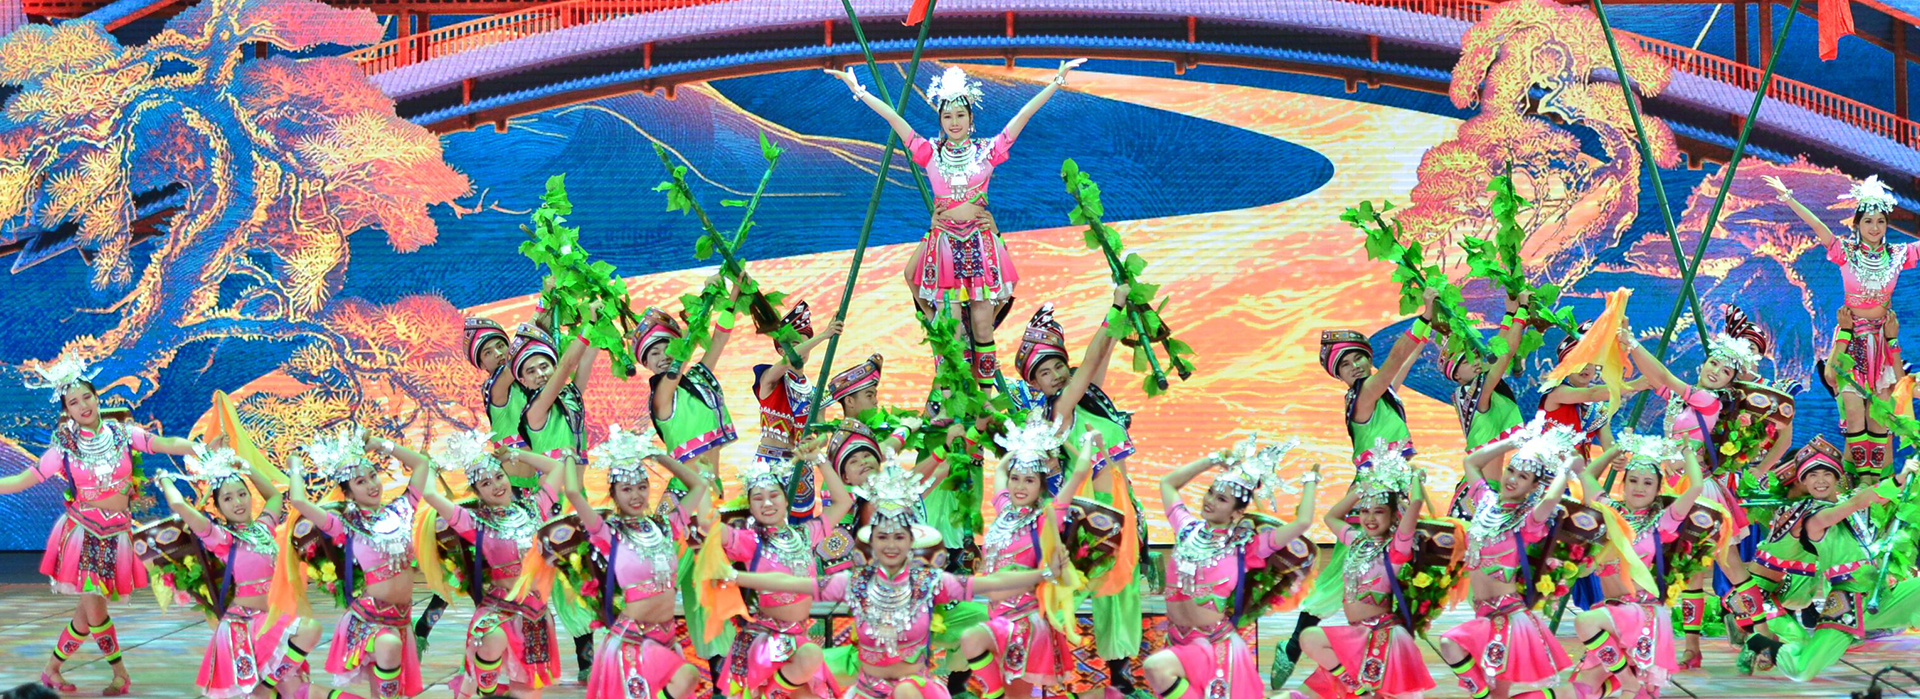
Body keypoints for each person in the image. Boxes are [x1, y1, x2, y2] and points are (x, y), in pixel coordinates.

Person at [825, 59, 1085, 390]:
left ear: (971, 119)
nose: (954, 122)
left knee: (982, 325)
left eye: (960, 115)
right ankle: (954, 398)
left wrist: (1055, 82)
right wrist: (859, 91)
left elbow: (1023, 115)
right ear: (940, 120)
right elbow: (894, 119)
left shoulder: (987, 151)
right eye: (947, 116)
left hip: (979, 245)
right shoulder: (930, 152)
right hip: (945, 246)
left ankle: (986, 401)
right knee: (954, 332)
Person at [727, 458, 1052, 699]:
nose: (891, 545)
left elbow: (985, 585)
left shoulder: (928, 582)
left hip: (915, 689)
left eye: (899, 537)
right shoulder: (856, 583)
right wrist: (735, 576)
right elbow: (793, 584)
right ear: (871, 542)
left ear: (912, 541)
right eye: (883, 537)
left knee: (907, 691)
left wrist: (1043, 574)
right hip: (866, 689)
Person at [0, 357, 206, 695]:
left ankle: (51, 670)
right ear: (66, 410)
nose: (83, 406)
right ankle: (121, 674)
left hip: (117, 534)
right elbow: (27, 477)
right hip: (83, 534)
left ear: (98, 398)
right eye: (73, 402)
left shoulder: (123, 434)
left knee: (85, 615)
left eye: (87, 397)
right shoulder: (65, 446)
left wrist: (198, 448)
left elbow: (164, 444)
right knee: (95, 609)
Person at [1280, 290, 1436, 686]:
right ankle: (1296, 645)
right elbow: (1395, 361)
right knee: (1346, 571)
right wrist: (1424, 315)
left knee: (1400, 569)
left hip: (1396, 490)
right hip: (1373, 493)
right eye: (1345, 365)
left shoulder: (1382, 393)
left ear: (1368, 357)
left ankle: (1385, 656)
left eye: (1357, 358)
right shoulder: (1364, 394)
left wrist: (1431, 327)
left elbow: (1401, 367)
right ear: (1340, 377)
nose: (1354, 367)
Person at [1010, 288, 1149, 697]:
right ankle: (1042, 663)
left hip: (1120, 503)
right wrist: (1114, 306)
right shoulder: (1058, 410)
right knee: (1085, 584)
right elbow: (1089, 362)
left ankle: (1119, 672)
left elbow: (1098, 358)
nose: (1056, 375)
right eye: (1045, 373)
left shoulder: (1087, 399)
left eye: (1059, 366)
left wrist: (1122, 319)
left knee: (1121, 587)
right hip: (1091, 509)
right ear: (1034, 383)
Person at [1616, 324, 1760, 660]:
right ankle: (1692, 648)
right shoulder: (1681, 399)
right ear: (1702, 364)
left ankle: (1763, 634)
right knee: (1689, 569)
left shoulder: (1709, 401)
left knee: (1731, 565)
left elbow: (1664, 376)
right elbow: (1657, 379)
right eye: (1713, 363)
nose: (1716, 372)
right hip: (1674, 487)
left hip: (1699, 490)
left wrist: (1633, 341)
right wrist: (1628, 347)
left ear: (1729, 382)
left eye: (1725, 371)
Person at [1144, 437, 1320, 699]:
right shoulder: (1186, 529)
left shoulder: (1246, 546)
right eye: (1211, 493)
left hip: (1212, 647)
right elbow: (1168, 484)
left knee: (1155, 668)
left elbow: (1302, 522)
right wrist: (1214, 459)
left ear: (1237, 513)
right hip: (1177, 641)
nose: (1210, 501)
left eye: (1222, 499)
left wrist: (1310, 481)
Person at [1764, 173, 1912, 479]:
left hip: (1882, 341)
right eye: (1868, 221)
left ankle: (1872, 484)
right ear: (1857, 224)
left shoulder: (1899, 254)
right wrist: (1788, 197)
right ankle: (1857, 483)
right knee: (1854, 418)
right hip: (1851, 339)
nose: (1874, 227)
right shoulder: (1846, 252)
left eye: (1881, 222)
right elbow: (1818, 226)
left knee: (1879, 419)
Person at [159, 444, 326, 699]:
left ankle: (265, 689)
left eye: (241, 494)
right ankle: (264, 689)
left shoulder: (263, 527)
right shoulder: (221, 537)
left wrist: (246, 467)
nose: (237, 502)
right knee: (310, 629)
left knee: (295, 689)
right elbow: (179, 504)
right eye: (227, 498)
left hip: (271, 619)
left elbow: (274, 497)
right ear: (218, 507)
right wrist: (164, 479)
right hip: (246, 625)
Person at [409, 432, 564, 699]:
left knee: (526, 693)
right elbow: (432, 495)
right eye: (485, 483)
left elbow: (558, 468)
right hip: (499, 609)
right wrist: (430, 468)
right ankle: (485, 691)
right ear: (478, 492)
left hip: (534, 613)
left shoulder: (533, 509)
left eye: (499, 477)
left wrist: (514, 454)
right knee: (493, 640)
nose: (496, 486)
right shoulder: (475, 522)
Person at [1744, 448, 1920, 680]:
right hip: (1847, 602)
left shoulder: (1851, 502)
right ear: (1804, 481)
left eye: (1827, 474)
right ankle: (1756, 642)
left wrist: (1907, 478)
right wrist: (1898, 478)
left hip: (1882, 592)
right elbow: (1855, 503)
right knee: (1802, 671)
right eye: (1812, 475)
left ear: (1837, 478)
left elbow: (1871, 498)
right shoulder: (1812, 518)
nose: (1820, 480)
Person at [564, 425, 711, 699]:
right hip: (633, 640)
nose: (636, 495)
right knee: (688, 676)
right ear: (614, 494)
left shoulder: (665, 526)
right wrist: (572, 458)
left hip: (667, 639)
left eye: (642, 487)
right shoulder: (608, 532)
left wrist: (659, 456)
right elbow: (573, 492)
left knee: (684, 682)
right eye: (626, 489)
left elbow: (699, 486)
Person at [1438, 422, 1579, 699]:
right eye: (1511, 470)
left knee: (1449, 643)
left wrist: (1566, 468)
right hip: (1484, 614)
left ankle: (1566, 695)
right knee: (1496, 694)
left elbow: (1550, 500)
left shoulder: (1527, 520)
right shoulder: (1485, 502)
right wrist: (1510, 443)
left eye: (1523, 476)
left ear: (1534, 486)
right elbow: (1471, 462)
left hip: (1507, 616)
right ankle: (1564, 695)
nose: (1512, 479)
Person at [286, 425, 427, 699]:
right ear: (349, 493)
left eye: (373, 476)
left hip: (401, 619)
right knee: (388, 647)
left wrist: (380, 444)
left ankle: (312, 694)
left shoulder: (401, 510)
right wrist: (294, 467)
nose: (372, 485)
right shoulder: (345, 524)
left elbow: (422, 464)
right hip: (370, 620)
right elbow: (299, 501)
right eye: (361, 482)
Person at [711, 433, 852, 699]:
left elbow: (843, 502)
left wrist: (818, 459)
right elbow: (708, 527)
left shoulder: (805, 535)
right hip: (765, 640)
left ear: (787, 500)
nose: (767, 503)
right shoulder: (749, 540)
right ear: (750, 507)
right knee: (810, 656)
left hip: (798, 637)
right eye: (758, 498)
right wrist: (701, 482)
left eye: (774, 495)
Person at [1568, 434, 1704, 698]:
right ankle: (1627, 682)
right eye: (1633, 480)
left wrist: (1687, 451)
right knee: (1582, 690)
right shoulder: (1609, 511)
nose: (1639, 487)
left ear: (1658, 489)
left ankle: (1629, 683)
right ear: (1623, 483)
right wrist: (1616, 450)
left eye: (1648, 482)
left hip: (1642, 614)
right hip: (1611, 614)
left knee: (1585, 622)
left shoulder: (1663, 520)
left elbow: (1696, 487)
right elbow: (1586, 475)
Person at [977, 417, 1101, 697]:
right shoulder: (1004, 509)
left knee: (1017, 694)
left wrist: (1088, 441)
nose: (1020, 486)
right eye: (1016, 478)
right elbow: (1000, 470)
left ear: (1041, 486)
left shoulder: (1046, 518)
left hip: (1024, 622)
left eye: (1029, 480)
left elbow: (1080, 473)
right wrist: (1020, 450)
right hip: (996, 617)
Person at [1297, 452, 1433, 699]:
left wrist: (1415, 477)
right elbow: (1331, 517)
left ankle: (1360, 690)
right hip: (1357, 635)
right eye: (1364, 511)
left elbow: (1415, 504)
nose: (1370, 518)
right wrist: (1362, 489)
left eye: (1378, 511)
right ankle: (1359, 690)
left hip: (1383, 636)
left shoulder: (1396, 549)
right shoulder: (1355, 540)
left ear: (1393, 515)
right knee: (1310, 639)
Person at [749, 302, 842, 522]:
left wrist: (816, 442)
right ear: (781, 350)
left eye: (803, 343)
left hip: (801, 469)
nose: (802, 349)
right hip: (770, 465)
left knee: (800, 530)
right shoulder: (770, 379)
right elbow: (789, 360)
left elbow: (823, 434)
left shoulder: (815, 392)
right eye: (794, 344)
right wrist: (824, 336)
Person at [1440, 291, 1531, 516]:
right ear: (1455, 375)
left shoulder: (1482, 389)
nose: (1476, 362)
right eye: (1466, 361)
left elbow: (1496, 352)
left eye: (1476, 356)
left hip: (1490, 489)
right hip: (1478, 493)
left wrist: (1510, 313)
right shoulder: (1472, 393)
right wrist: (1522, 311)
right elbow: (1504, 354)